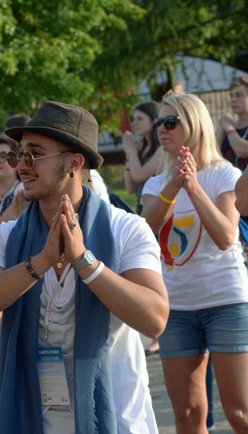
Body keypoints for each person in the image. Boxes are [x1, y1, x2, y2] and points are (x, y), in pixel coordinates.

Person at [0, 101, 169, 433]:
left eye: (34, 154)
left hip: (116, 419)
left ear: (74, 162)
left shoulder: (126, 229)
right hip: (33, 419)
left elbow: (154, 319)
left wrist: (85, 261)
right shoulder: (5, 237)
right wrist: (38, 264)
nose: (21, 166)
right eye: (18, 155)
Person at [141, 91, 248, 433]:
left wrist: (193, 187)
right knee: (187, 414)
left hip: (226, 301)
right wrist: (173, 186)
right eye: (159, 122)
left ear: (194, 124)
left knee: (240, 413)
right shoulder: (156, 184)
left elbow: (226, 237)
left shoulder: (223, 174)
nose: (162, 128)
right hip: (176, 308)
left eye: (171, 121)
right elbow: (145, 232)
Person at [122, 101, 163, 214]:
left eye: (139, 119)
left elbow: (139, 176)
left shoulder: (162, 149)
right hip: (140, 210)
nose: (134, 123)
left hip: (156, 210)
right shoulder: (139, 148)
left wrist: (131, 151)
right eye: (133, 119)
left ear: (154, 120)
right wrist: (128, 155)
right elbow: (130, 188)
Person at [216, 75, 248, 171]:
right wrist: (221, 132)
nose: (233, 99)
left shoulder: (229, 127)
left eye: (239, 95)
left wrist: (229, 129)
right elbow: (212, 155)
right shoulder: (226, 125)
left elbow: (243, 151)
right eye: (231, 96)